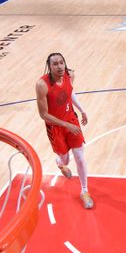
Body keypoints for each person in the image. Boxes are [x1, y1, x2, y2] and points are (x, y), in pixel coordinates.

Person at [35, 53, 94, 209]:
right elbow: (43, 114)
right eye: (55, 64)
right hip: (55, 127)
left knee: (80, 157)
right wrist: (65, 125)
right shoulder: (42, 85)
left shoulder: (70, 75)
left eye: (62, 62)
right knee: (66, 160)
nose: (60, 66)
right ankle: (59, 163)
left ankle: (84, 191)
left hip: (71, 121)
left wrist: (82, 109)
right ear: (49, 66)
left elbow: (70, 92)